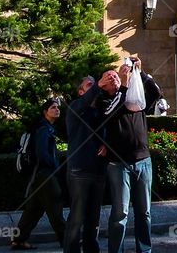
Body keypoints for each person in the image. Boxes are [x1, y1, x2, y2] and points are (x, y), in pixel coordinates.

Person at [99, 55, 161, 253]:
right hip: (119, 164)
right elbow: (114, 108)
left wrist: (140, 72)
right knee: (120, 213)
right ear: (103, 85)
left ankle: (144, 250)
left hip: (143, 161)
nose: (114, 77)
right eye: (109, 77)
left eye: (115, 75)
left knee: (144, 212)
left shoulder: (136, 98)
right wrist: (123, 85)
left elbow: (155, 93)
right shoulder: (105, 102)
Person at [11, 98, 66, 250]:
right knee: (55, 205)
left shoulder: (41, 127)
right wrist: (54, 166)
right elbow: (42, 153)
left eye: (57, 108)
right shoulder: (44, 129)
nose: (57, 110)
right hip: (45, 174)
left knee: (34, 209)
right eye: (53, 108)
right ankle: (67, 239)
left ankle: (19, 240)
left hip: (37, 175)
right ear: (45, 112)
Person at [64, 76, 106, 253]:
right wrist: (98, 86)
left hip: (98, 170)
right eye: (89, 85)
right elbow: (86, 102)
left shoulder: (99, 111)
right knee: (77, 217)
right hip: (79, 171)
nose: (94, 87)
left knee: (93, 219)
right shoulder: (75, 107)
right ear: (80, 92)